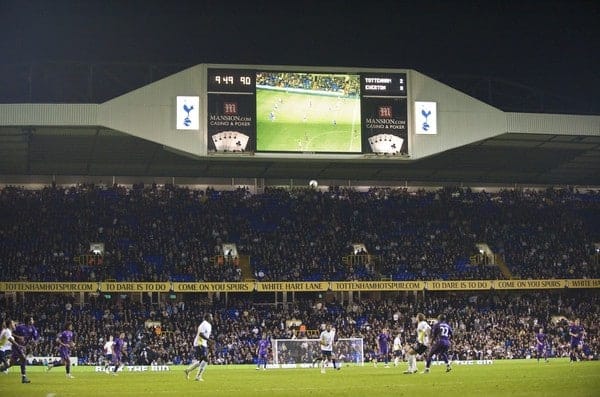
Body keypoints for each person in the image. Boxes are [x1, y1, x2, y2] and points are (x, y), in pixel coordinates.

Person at [0, 316, 39, 383]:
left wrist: (35, 342)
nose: (33, 321)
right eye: (32, 320)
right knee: (23, 358)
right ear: (28, 321)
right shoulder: (20, 327)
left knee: (10, 364)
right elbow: (11, 333)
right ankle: (24, 377)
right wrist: (19, 338)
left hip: (23, 347)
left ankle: (1, 369)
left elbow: (36, 337)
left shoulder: (33, 328)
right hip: (17, 346)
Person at [185, 313, 212, 381]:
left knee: (202, 361)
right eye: (211, 316)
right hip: (199, 343)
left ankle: (188, 370)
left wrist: (208, 342)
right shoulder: (204, 324)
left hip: (203, 343)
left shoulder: (208, 325)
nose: (212, 318)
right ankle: (198, 376)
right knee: (206, 359)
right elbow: (201, 334)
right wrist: (209, 340)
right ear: (208, 317)